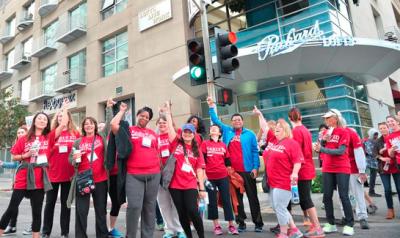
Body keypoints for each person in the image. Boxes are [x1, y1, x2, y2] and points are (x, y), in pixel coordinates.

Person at [207, 97, 263, 232]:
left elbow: (255, 151)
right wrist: (211, 106)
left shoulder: (249, 134)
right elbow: (215, 120)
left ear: (242, 122)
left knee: (253, 197)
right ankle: (241, 223)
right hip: (232, 172)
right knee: (236, 200)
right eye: (234, 120)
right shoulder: (227, 131)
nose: (237, 121)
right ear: (231, 122)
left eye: (239, 120)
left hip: (248, 170)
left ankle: (258, 223)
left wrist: (256, 167)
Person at [111, 103, 161, 238]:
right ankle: (130, 235)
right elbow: (114, 126)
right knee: (134, 207)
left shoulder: (152, 134)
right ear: (137, 115)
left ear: (149, 120)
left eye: (147, 117)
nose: (144, 118)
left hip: (154, 174)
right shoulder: (129, 129)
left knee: (149, 209)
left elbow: (157, 152)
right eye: (142, 115)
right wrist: (121, 111)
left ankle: (147, 235)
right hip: (134, 174)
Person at [0, 112, 52, 238]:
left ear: (47, 124)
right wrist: (26, 155)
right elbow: (14, 156)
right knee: (12, 208)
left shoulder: (49, 137)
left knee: (37, 211)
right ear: (34, 121)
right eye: (39, 118)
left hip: (39, 179)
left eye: (45, 119)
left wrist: (65, 108)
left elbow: (61, 124)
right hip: (23, 177)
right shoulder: (24, 138)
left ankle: (36, 236)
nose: (42, 120)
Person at [161, 102, 207, 238]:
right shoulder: (176, 143)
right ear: (182, 133)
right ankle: (188, 235)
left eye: (190, 132)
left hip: (190, 184)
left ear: (194, 134)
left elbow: (199, 169)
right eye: (185, 132)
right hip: (174, 185)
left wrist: (202, 188)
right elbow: (170, 128)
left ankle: (201, 236)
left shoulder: (197, 149)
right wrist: (168, 113)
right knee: (182, 213)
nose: (187, 134)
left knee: (192, 210)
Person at [69, 99, 114, 238]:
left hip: (100, 180)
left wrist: (108, 108)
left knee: (101, 211)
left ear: (95, 126)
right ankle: (81, 235)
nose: (88, 126)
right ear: (83, 127)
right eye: (86, 124)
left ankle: (102, 235)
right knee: (81, 211)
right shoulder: (78, 141)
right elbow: (71, 160)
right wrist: (76, 158)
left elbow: (109, 124)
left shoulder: (101, 136)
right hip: (83, 179)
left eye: (91, 123)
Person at [42, 99, 80, 238]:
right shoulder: (52, 134)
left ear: (69, 118)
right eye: (58, 116)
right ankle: (46, 231)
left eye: (63, 116)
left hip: (69, 175)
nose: (61, 118)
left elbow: (79, 151)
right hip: (53, 174)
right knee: (50, 204)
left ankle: (64, 232)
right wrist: (63, 108)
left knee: (66, 205)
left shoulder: (75, 134)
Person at [313, 109, 354, 236]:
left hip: (342, 167)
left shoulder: (344, 132)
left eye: (329, 118)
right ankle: (331, 224)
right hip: (327, 167)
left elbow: (341, 151)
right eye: (325, 118)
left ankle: (349, 224)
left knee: (343, 196)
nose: (326, 120)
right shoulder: (325, 132)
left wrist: (323, 148)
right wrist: (322, 143)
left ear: (336, 118)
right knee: (326, 197)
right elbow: (319, 150)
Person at [262, 119, 303, 238]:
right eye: (276, 127)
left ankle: (284, 233)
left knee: (280, 207)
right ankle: (294, 230)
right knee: (278, 207)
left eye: (279, 126)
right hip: (272, 182)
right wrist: (259, 115)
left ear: (285, 129)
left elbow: (298, 161)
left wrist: (295, 173)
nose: (276, 128)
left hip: (284, 181)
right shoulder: (276, 143)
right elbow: (265, 128)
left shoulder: (291, 143)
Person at [287, 108, 325, 237]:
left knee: (306, 200)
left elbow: (296, 152)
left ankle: (318, 228)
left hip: (301, 169)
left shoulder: (295, 131)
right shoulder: (305, 130)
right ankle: (315, 226)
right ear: (301, 117)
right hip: (307, 167)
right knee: (305, 200)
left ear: (289, 119)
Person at [200, 124, 239, 235]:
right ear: (210, 132)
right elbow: (201, 160)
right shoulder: (205, 144)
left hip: (222, 177)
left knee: (227, 200)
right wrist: (203, 175)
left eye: (216, 128)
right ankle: (216, 226)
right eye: (211, 128)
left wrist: (229, 172)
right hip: (209, 178)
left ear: (219, 133)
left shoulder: (223, 145)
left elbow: (227, 161)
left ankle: (231, 225)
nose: (213, 128)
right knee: (212, 202)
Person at [155, 116, 185, 238]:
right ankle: (169, 229)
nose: (162, 124)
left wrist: (168, 113)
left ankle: (179, 229)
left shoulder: (174, 136)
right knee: (163, 204)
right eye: (159, 123)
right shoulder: (154, 138)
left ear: (169, 124)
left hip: (174, 175)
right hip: (159, 175)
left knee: (176, 203)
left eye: (164, 122)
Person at [1, 125, 30, 235]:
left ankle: (33, 226)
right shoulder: (16, 147)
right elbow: (14, 164)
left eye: (22, 132)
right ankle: (12, 225)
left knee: (35, 204)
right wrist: (3, 164)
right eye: (18, 133)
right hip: (19, 180)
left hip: (32, 180)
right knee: (14, 204)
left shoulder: (30, 145)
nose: (20, 134)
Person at [345, 126, 369, 229]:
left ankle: (362, 217)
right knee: (343, 195)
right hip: (341, 170)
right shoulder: (332, 133)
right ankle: (345, 216)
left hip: (354, 169)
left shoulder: (351, 133)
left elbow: (359, 153)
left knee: (358, 194)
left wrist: (362, 171)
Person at [382, 117, 400, 219]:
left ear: (397, 122)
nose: (390, 123)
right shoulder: (389, 137)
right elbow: (391, 154)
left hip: (395, 166)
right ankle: (390, 210)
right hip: (397, 164)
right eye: (388, 122)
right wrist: (392, 149)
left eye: (392, 121)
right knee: (393, 189)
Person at [364, 128, 381, 197]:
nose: (376, 136)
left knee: (375, 177)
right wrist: (380, 153)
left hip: (377, 162)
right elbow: (370, 151)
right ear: (371, 134)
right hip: (371, 162)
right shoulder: (368, 141)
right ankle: (371, 192)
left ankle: (388, 190)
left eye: (377, 134)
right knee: (372, 177)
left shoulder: (375, 140)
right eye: (374, 134)